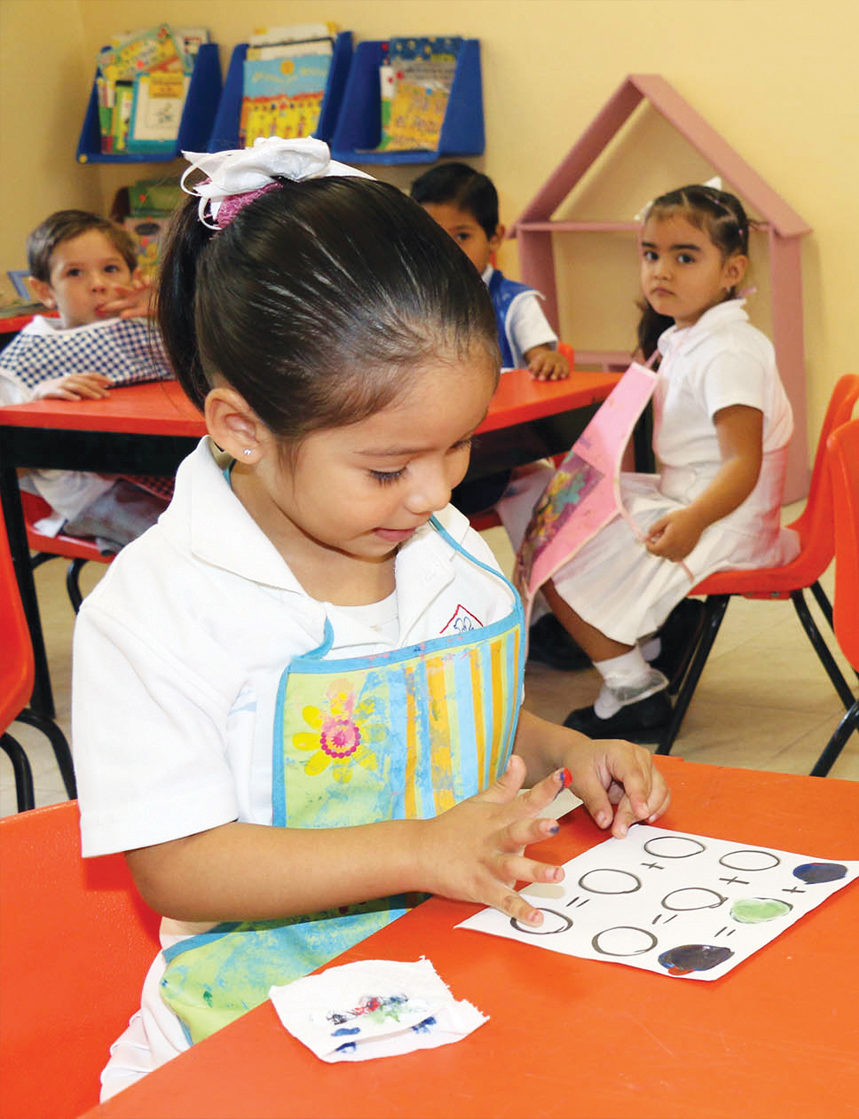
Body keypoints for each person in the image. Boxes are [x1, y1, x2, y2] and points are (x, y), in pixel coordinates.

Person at [71, 138, 670, 1099]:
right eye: (389, 467)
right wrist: (415, 848)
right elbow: (177, 863)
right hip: (250, 1036)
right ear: (242, 430)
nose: (435, 490)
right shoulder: (159, 611)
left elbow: (434, 714)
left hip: (458, 986)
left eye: (459, 445)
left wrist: (559, 750)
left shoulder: (444, 546)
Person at [536, 183, 797, 740]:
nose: (662, 271)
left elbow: (741, 464)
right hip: (696, 500)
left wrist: (692, 521)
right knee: (563, 512)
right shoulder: (690, 337)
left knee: (557, 554)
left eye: (685, 257)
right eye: (651, 254)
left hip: (721, 518)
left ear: (732, 271)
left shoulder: (728, 352)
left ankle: (633, 687)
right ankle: (653, 636)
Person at [0, 209, 171, 551]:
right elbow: (10, 467)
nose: (98, 284)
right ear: (45, 290)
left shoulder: (150, 327)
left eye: (110, 269)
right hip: (95, 493)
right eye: (74, 273)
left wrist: (169, 310)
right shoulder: (22, 360)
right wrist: (37, 401)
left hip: (179, 469)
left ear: (134, 275)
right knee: (176, 546)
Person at [410, 161, 569, 379]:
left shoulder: (516, 302)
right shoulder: (410, 300)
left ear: (494, 238)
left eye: (461, 236)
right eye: (432, 237)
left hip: (511, 410)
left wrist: (548, 360)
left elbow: (541, 356)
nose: (446, 249)